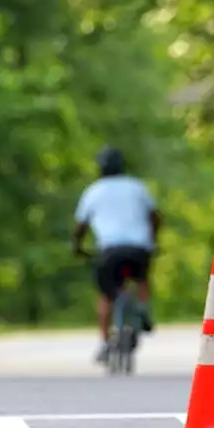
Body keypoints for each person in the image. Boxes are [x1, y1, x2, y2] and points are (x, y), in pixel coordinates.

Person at [72, 146, 161, 363]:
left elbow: (81, 226)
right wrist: (153, 239)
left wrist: (77, 246)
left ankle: (104, 343)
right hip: (138, 249)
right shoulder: (137, 186)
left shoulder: (93, 191)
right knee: (141, 277)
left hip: (109, 251)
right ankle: (142, 310)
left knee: (106, 295)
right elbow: (155, 216)